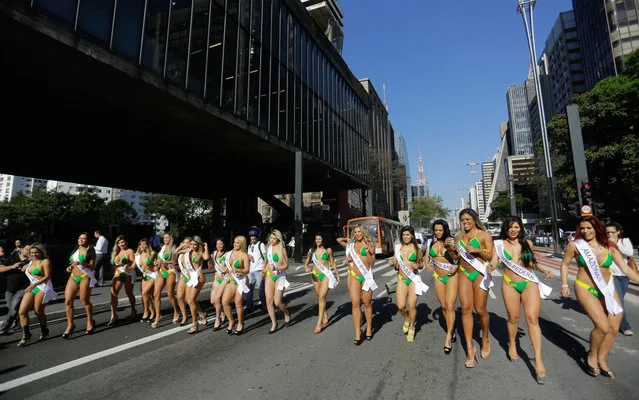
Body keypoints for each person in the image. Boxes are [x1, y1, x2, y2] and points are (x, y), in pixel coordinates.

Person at [561, 216, 639, 379]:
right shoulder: (575, 246)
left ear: (597, 228)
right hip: (585, 288)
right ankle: (592, 355)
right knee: (603, 327)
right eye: (582, 228)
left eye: (589, 228)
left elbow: (625, 268)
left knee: (614, 327)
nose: (585, 231)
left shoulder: (610, 246)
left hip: (607, 289)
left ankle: (602, 359)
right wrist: (564, 284)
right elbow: (565, 264)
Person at [493, 217, 554, 384]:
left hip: (529, 283)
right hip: (509, 284)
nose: (513, 230)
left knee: (532, 319)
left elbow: (533, 263)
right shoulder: (498, 245)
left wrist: (544, 270)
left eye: (516, 227)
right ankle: (512, 343)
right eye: (510, 227)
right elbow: (494, 261)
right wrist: (490, 266)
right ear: (505, 229)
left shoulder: (527, 244)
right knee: (513, 318)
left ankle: (538, 360)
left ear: (520, 229)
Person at [456, 208, 496, 368]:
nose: (465, 222)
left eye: (467, 219)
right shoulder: (459, 237)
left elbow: (491, 256)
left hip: (479, 273)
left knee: (480, 310)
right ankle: (469, 348)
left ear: (474, 220)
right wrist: (452, 251)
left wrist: (479, 250)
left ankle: (485, 338)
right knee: (466, 309)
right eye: (463, 220)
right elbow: (455, 257)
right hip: (464, 273)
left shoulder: (484, 235)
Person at [337, 225, 376, 345]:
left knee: (367, 303)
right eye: (356, 232)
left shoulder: (370, 245)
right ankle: (357, 332)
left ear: (364, 232)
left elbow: (372, 263)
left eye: (359, 231)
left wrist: (368, 252)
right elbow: (350, 258)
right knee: (355, 304)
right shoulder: (352, 245)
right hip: (354, 276)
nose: (357, 234)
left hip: (366, 277)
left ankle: (369, 328)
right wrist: (347, 260)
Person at [426, 219, 459, 354]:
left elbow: (457, 257)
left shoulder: (451, 241)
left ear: (445, 230)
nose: (438, 232)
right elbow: (426, 257)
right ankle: (452, 328)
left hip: (451, 276)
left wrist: (450, 248)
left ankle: (448, 336)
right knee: (444, 307)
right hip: (438, 277)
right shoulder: (430, 243)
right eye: (436, 230)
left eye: (440, 230)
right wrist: (427, 263)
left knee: (450, 306)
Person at [389, 226, 428, 343]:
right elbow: (394, 261)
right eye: (404, 235)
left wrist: (418, 266)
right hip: (401, 278)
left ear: (412, 236)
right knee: (401, 306)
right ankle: (407, 318)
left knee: (411, 305)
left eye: (408, 235)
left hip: (413, 280)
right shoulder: (397, 247)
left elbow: (421, 264)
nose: (405, 237)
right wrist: (392, 262)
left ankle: (412, 327)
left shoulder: (417, 249)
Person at [17, 243, 56, 347]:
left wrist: (33, 284)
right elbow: (26, 270)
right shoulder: (30, 262)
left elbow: (47, 276)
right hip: (32, 288)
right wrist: (23, 268)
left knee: (38, 310)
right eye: (32, 253)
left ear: (41, 252)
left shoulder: (45, 261)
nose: (34, 254)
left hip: (41, 287)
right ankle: (26, 334)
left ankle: (44, 330)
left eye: (36, 252)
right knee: (22, 312)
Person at [303, 233, 340, 334]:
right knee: (319, 296)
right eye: (316, 239)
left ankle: (319, 323)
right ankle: (324, 314)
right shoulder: (311, 250)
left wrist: (337, 275)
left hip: (325, 276)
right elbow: (306, 262)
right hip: (315, 276)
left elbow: (332, 262)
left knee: (322, 297)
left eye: (319, 239)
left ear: (323, 240)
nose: (318, 241)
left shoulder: (328, 250)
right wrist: (306, 267)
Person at [63, 233, 97, 339]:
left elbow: (91, 266)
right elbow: (71, 263)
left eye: (84, 238)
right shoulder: (75, 250)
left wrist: (81, 264)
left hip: (85, 276)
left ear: (88, 240)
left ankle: (90, 321)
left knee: (84, 300)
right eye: (79, 238)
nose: (81, 240)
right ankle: (70, 325)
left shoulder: (90, 250)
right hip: (73, 276)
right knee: (68, 301)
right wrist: (69, 268)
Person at [605, 222, 635, 336]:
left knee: (618, 299)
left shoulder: (624, 241)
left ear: (618, 232)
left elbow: (629, 252)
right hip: (611, 275)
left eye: (612, 232)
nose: (610, 234)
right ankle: (624, 326)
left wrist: (614, 245)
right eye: (607, 232)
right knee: (619, 302)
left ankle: (611, 318)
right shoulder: (604, 243)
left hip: (624, 275)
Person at [176, 236, 209, 334]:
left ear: (199, 244)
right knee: (189, 299)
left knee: (190, 300)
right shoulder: (188, 251)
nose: (193, 246)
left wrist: (205, 247)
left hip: (199, 277)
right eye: (191, 244)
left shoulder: (200, 253)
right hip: (191, 278)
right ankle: (202, 315)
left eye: (195, 244)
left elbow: (206, 257)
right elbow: (176, 252)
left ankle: (195, 324)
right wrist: (184, 245)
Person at [263, 229, 292, 333]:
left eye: (274, 238)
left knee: (277, 302)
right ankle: (274, 323)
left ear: (278, 239)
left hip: (280, 276)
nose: (272, 240)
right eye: (270, 238)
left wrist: (279, 268)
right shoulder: (268, 248)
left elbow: (287, 265)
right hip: (270, 276)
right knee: (269, 301)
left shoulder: (282, 249)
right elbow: (267, 263)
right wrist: (264, 271)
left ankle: (286, 313)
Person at [221, 235, 250, 335]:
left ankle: (240, 323)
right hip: (232, 280)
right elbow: (226, 266)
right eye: (234, 242)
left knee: (238, 302)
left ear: (242, 243)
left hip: (241, 281)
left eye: (237, 243)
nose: (235, 244)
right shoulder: (229, 253)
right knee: (225, 301)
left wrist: (237, 270)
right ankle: (231, 321)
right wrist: (224, 270)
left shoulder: (244, 255)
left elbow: (247, 270)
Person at [0, 245, 31, 335]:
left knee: (13, 308)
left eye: (30, 250)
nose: (28, 251)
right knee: (12, 309)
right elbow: (1, 268)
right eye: (26, 249)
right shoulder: (12, 258)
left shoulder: (31, 261)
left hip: (22, 289)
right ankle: (19, 324)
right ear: (21, 250)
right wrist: (12, 266)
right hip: (9, 289)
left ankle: (3, 328)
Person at [152, 233, 179, 328]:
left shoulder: (174, 247)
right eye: (164, 238)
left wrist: (163, 262)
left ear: (171, 238)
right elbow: (159, 260)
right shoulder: (162, 247)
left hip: (170, 271)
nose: (166, 239)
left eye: (168, 237)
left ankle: (176, 311)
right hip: (162, 271)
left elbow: (175, 261)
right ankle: (158, 316)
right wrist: (156, 265)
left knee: (170, 294)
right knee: (156, 294)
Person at [109, 235, 137, 326]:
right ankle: (113, 315)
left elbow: (133, 263)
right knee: (113, 293)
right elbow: (113, 265)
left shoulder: (130, 251)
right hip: (118, 273)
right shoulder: (116, 252)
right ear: (117, 244)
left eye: (123, 242)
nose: (121, 244)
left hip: (128, 273)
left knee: (129, 293)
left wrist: (127, 265)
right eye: (119, 242)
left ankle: (133, 310)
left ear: (126, 242)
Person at [134, 239, 157, 323]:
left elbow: (150, 263)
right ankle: (152, 312)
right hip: (145, 276)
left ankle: (146, 312)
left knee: (145, 293)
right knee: (146, 295)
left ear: (148, 245)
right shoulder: (137, 255)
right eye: (141, 244)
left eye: (144, 244)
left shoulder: (152, 253)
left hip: (152, 275)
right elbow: (133, 266)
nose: (142, 246)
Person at [209, 238, 229, 330]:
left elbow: (230, 268)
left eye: (221, 244)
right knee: (212, 301)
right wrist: (209, 264)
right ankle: (222, 313)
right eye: (217, 244)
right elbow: (211, 268)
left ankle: (218, 319)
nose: (219, 246)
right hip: (217, 278)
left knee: (217, 299)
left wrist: (225, 270)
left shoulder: (228, 254)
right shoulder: (213, 254)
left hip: (225, 279)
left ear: (224, 244)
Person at [246, 228, 266, 312]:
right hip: (251, 271)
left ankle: (265, 305)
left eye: (254, 237)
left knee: (261, 289)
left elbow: (266, 258)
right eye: (251, 237)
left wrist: (264, 270)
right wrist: (248, 257)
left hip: (259, 270)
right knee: (248, 289)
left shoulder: (261, 245)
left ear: (257, 237)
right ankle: (249, 306)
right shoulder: (250, 246)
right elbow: (248, 256)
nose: (252, 238)